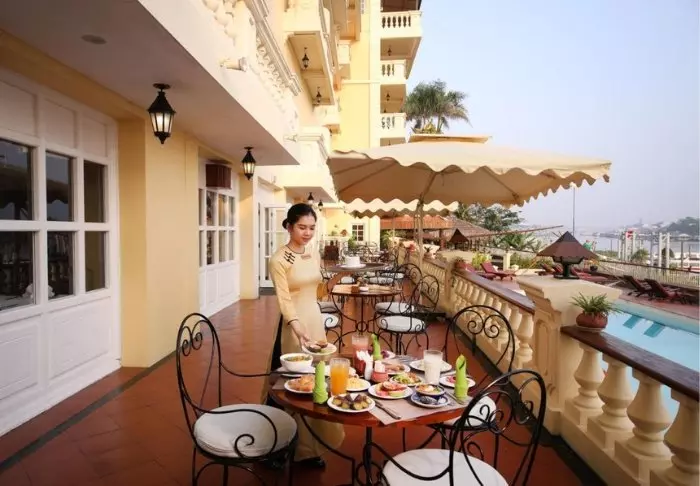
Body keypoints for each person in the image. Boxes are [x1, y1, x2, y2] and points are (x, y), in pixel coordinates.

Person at [267, 203, 345, 469]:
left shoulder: (313, 254)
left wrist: (341, 275)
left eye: (312, 228)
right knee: (293, 385)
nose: (307, 233)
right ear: (289, 226)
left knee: (318, 381)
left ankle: (309, 449)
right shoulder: (279, 259)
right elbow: (284, 299)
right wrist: (297, 326)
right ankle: (279, 448)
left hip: (314, 320)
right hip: (294, 326)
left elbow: (319, 293)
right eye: (302, 227)